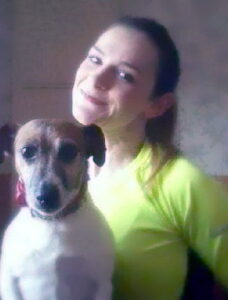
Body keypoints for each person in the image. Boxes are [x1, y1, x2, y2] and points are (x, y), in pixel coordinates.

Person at [72, 16, 228, 299]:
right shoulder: (62, 168)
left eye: (125, 75)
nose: (96, 78)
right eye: (95, 59)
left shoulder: (181, 182)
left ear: (157, 105)